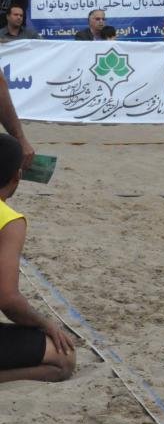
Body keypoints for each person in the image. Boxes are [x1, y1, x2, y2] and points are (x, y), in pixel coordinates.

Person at [0, 133, 77, 384]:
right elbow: (8, 300)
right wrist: (46, 324)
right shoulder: (9, 220)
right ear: (17, 177)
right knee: (64, 359)